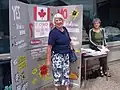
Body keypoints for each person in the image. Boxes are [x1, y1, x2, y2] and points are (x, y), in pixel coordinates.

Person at [46, 13, 72, 90]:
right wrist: (48, 60)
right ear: (54, 22)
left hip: (66, 55)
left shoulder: (65, 29)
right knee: (57, 73)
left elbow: (69, 40)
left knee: (66, 72)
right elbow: (49, 47)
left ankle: (67, 88)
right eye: (56, 20)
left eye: (60, 20)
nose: (59, 22)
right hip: (57, 56)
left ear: (63, 20)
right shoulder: (53, 32)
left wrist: (71, 49)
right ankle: (57, 88)